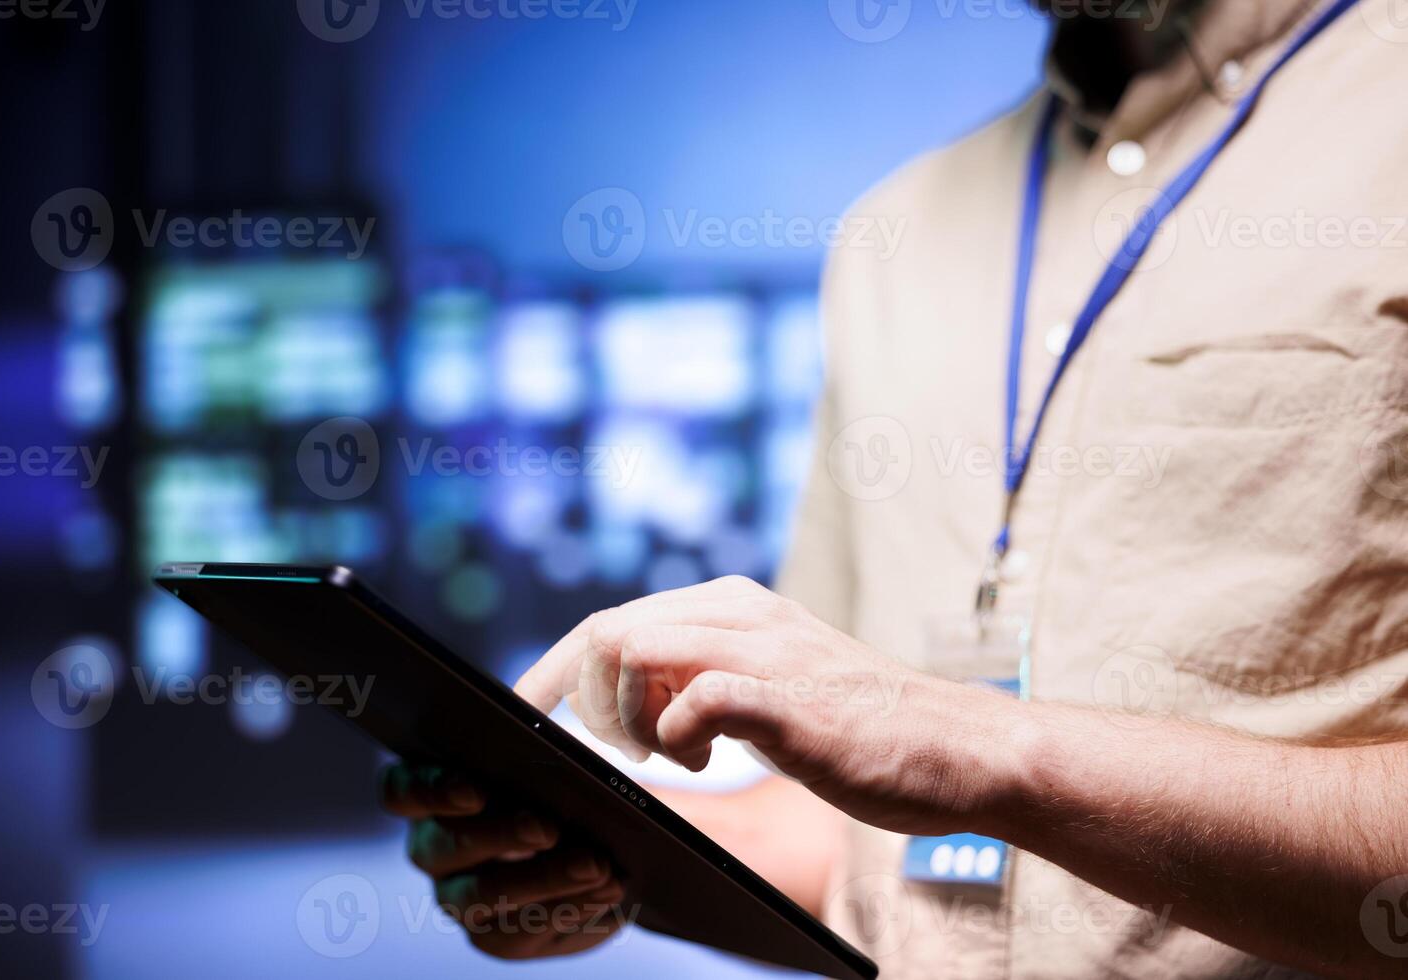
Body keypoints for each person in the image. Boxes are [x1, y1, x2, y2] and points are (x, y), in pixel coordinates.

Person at [382, 1, 1408, 976]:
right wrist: (599, 845)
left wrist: (979, 745)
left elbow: (945, 754)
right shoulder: (894, 235)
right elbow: (867, 846)